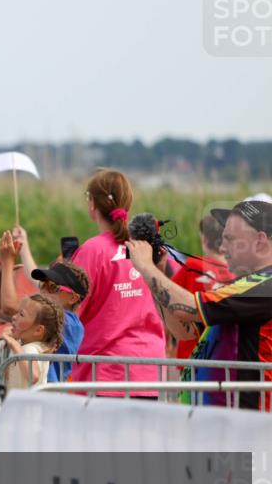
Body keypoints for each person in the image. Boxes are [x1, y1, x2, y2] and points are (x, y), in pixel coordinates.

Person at [129, 199, 272, 411]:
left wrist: (146, 266)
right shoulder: (245, 285)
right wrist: (157, 273)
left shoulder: (263, 288)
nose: (222, 248)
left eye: (230, 240)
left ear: (260, 241)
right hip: (221, 414)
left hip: (246, 417)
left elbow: (185, 307)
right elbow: (183, 330)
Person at [68, 168, 165, 393]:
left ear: (92, 204)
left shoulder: (93, 250)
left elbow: (71, 310)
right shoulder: (147, 246)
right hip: (149, 373)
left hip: (104, 375)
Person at [0, 231, 88, 382]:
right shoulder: (48, 315)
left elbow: (8, 307)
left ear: (73, 298)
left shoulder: (69, 323)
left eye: (53, 287)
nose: (45, 290)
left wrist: (8, 263)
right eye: (43, 283)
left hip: (48, 393)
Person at [169, 215, 235, 361]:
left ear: (204, 239)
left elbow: (167, 298)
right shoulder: (239, 273)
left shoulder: (193, 266)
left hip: (193, 357)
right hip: (225, 357)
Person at [0, 293, 65, 390]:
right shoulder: (31, 346)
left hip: (23, 405)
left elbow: (33, 376)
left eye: (21, 314)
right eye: (17, 312)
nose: (14, 317)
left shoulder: (29, 349)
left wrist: (13, 343)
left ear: (38, 330)